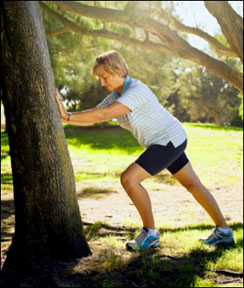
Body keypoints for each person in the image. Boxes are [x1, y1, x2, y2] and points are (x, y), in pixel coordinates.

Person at [55, 50, 234, 251]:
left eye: (104, 77)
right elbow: (95, 116)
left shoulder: (136, 91)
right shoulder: (116, 95)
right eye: (100, 78)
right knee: (192, 184)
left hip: (168, 140)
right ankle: (224, 232)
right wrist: (64, 114)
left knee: (129, 179)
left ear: (119, 70)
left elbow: (104, 114)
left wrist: (67, 116)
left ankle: (150, 234)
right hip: (166, 141)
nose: (102, 83)